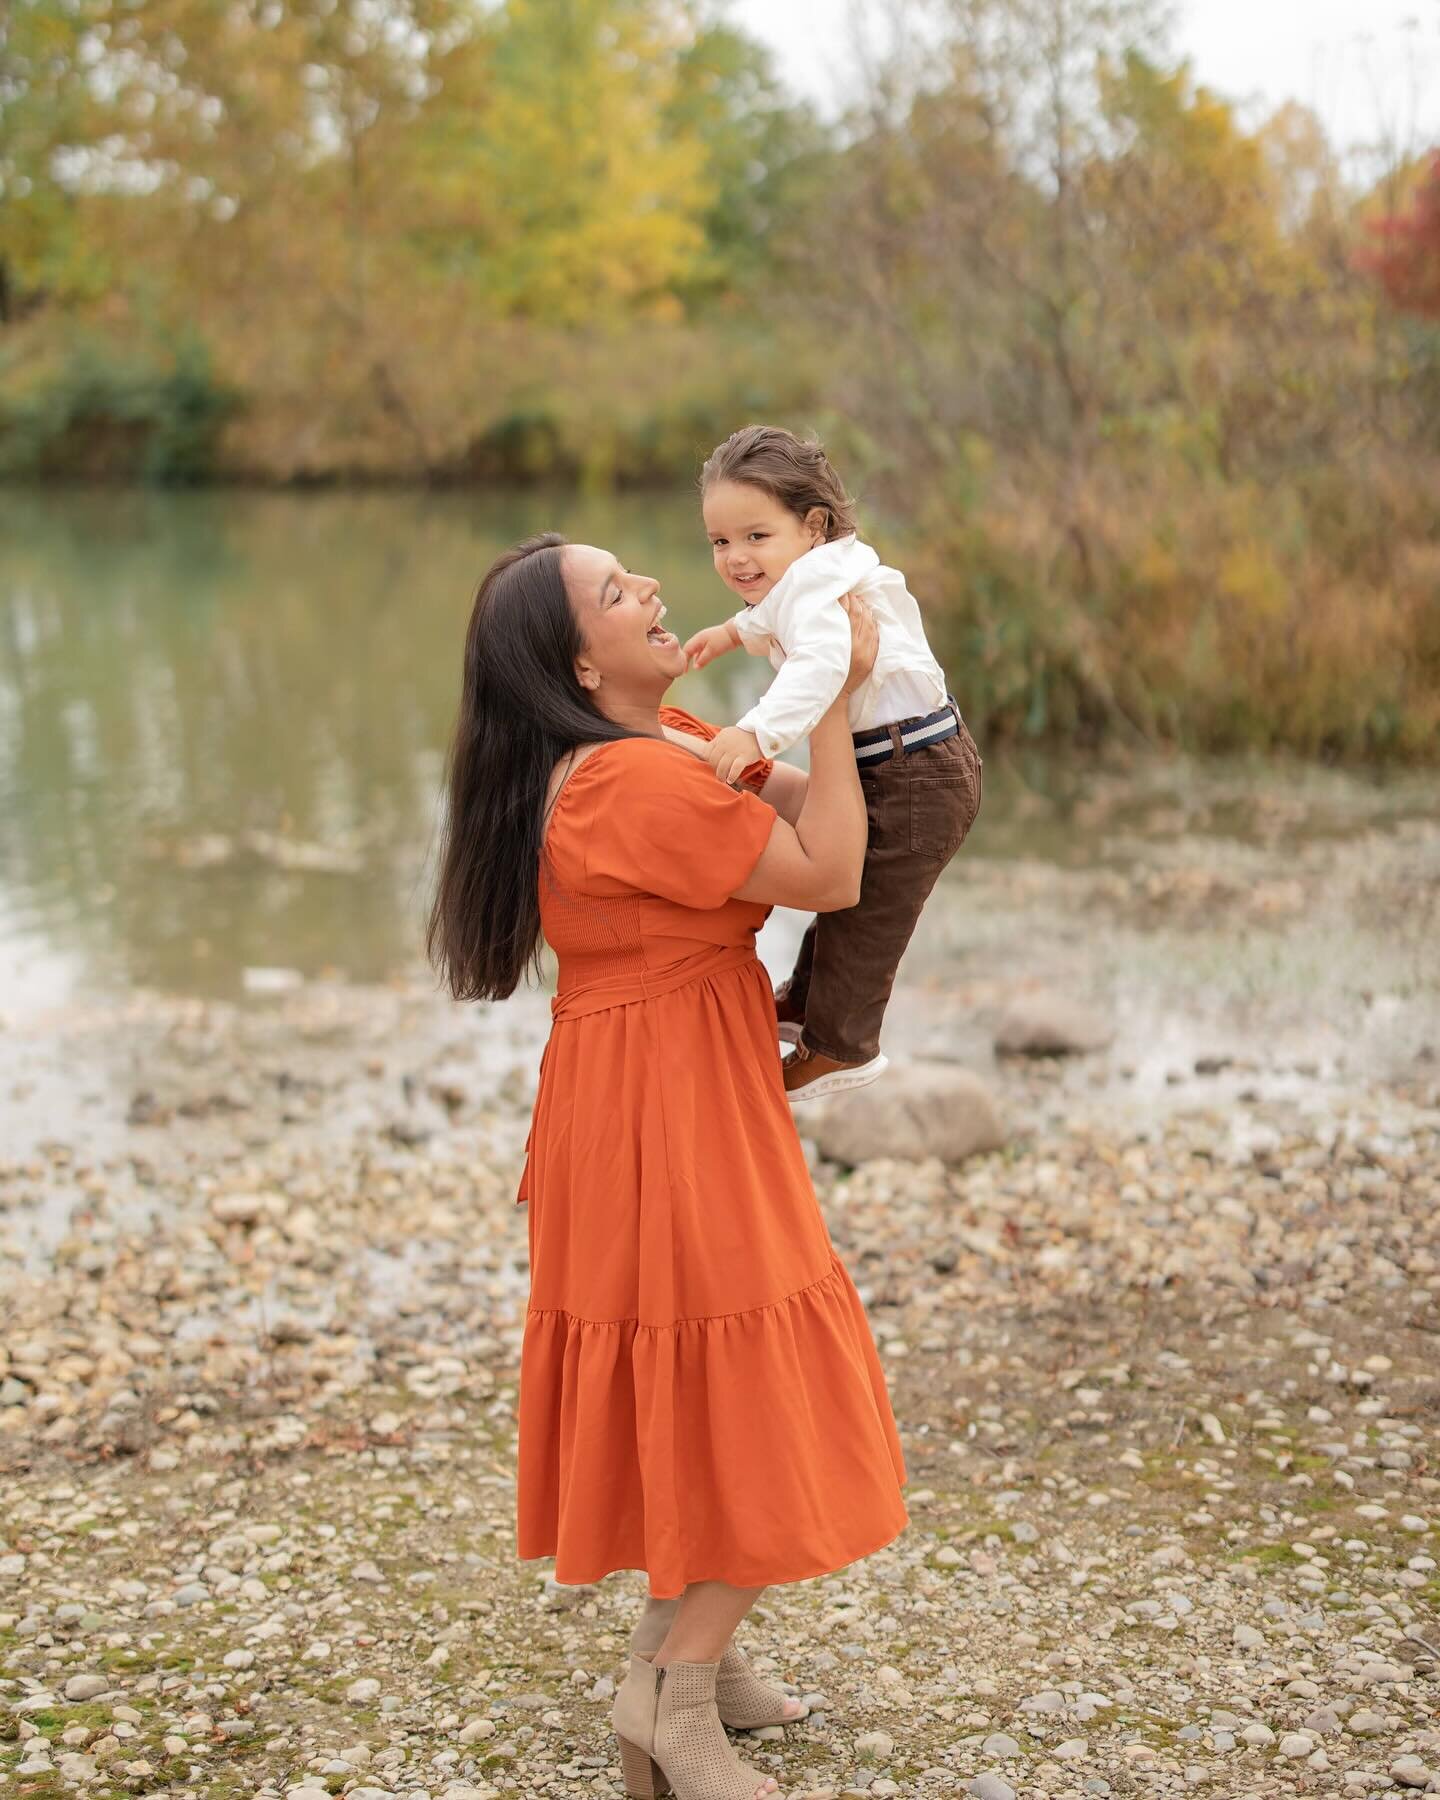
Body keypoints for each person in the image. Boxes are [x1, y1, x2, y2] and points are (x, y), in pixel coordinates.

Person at [427, 533, 909, 1800]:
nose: (652, 591)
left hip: (649, 1078)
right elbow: (835, 871)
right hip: (666, 1101)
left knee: (697, 1371)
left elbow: (806, 811)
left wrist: (802, 710)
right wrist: (841, 692)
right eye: (617, 590)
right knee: (761, 1377)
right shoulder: (623, 785)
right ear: (576, 661)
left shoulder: (654, 747)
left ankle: (684, 1647)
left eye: (638, 573)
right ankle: (671, 1698)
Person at [684, 425, 984, 1106]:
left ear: (813, 526)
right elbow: (775, 618)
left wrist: (756, 733)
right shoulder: (811, 578)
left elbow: (821, 665)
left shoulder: (819, 590)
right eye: (720, 542)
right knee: (857, 902)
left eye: (756, 537)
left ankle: (843, 1045)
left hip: (917, 771)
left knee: (871, 911)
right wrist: (733, 632)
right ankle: (808, 999)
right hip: (908, 763)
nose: (735, 558)